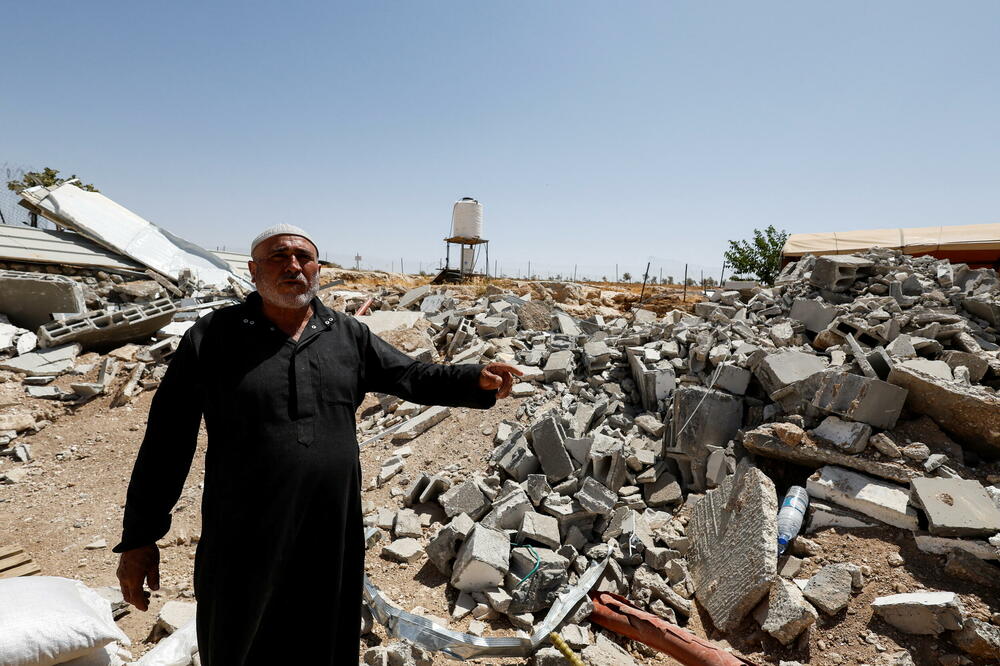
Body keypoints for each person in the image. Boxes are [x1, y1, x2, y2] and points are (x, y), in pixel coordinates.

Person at [114, 224, 522, 664]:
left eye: (304, 257)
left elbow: (410, 376)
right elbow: (167, 441)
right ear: (253, 271)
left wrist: (473, 379)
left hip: (331, 527)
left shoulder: (346, 334)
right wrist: (140, 537)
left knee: (324, 638)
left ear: (317, 269)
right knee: (237, 638)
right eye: (278, 257)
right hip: (243, 530)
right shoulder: (213, 337)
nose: (293, 266)